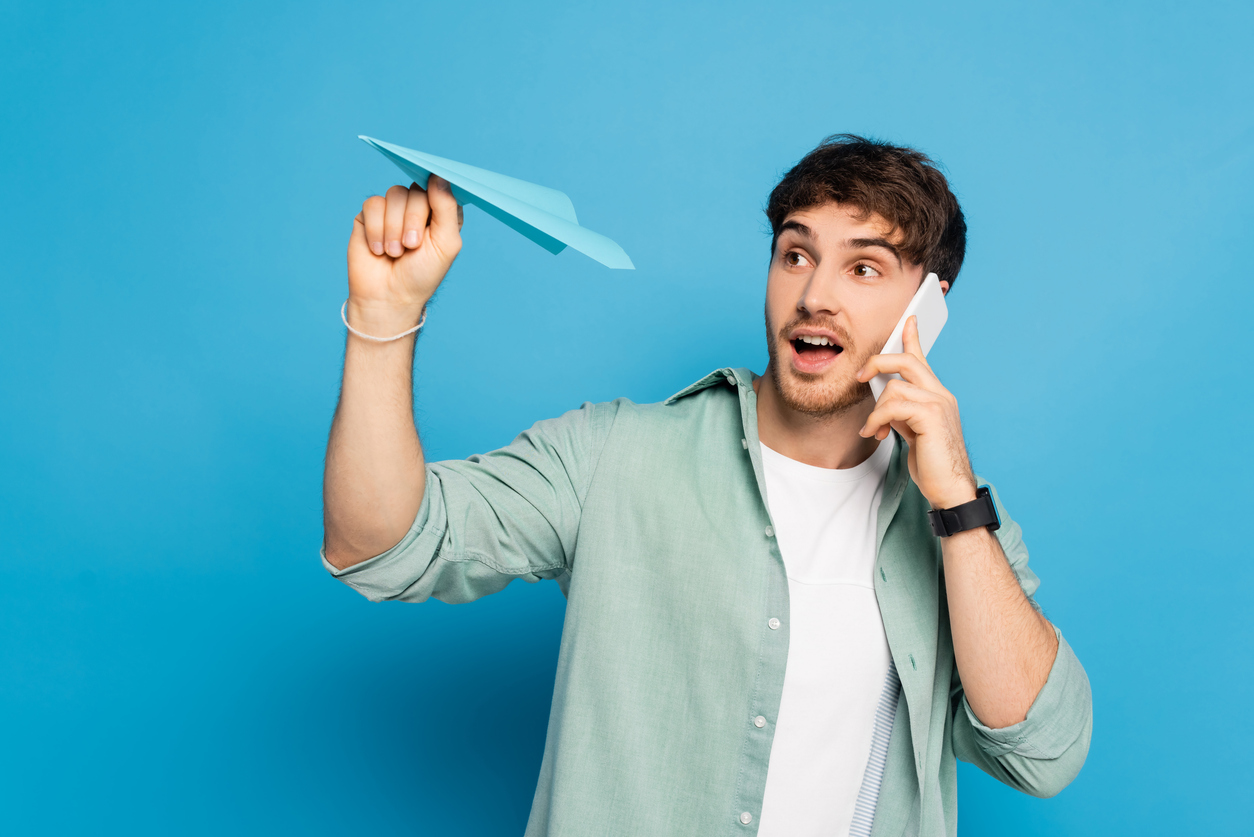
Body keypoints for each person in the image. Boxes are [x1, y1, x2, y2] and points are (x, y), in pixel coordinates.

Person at [321, 135, 1092, 837]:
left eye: (863, 268)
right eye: (795, 255)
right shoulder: (614, 455)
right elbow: (382, 545)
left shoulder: (962, 527)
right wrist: (383, 316)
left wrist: (956, 500)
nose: (814, 294)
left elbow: (1043, 750)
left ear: (928, 307)